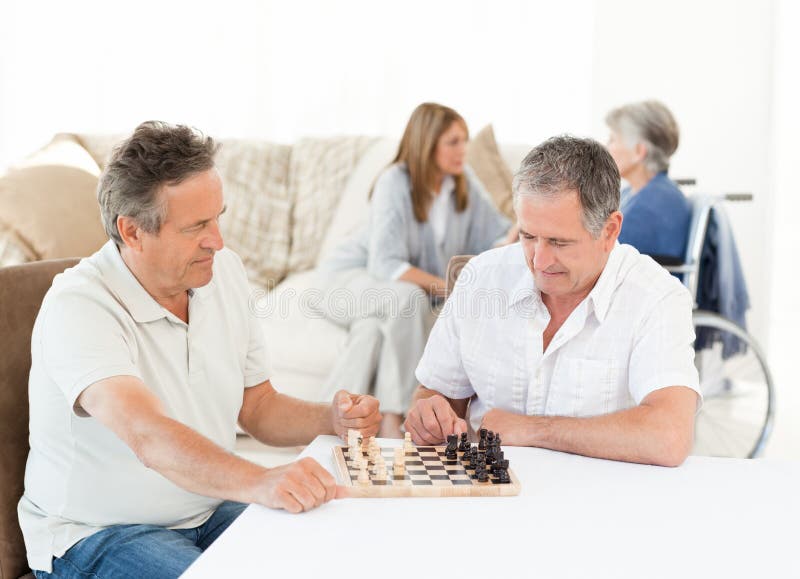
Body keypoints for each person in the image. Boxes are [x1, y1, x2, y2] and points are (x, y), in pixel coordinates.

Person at [18, 121, 382, 578]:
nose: (218, 241)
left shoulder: (221, 272)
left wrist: (330, 418)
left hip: (206, 512)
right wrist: (260, 480)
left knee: (341, 553)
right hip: (97, 533)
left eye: (217, 218)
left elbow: (258, 405)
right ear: (132, 232)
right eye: (196, 227)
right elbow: (147, 434)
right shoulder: (80, 306)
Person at [405, 135, 701, 467]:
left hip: (599, 507)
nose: (540, 261)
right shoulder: (481, 277)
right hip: (489, 501)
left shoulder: (657, 298)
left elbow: (669, 437)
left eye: (559, 242)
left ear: (609, 230)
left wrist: (534, 431)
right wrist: (430, 414)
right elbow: (436, 395)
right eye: (528, 237)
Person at [316, 103, 515, 438]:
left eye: (464, 140)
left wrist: (516, 234)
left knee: (372, 332)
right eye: (453, 142)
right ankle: (400, 416)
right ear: (427, 142)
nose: (462, 150)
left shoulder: (463, 183)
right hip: (348, 278)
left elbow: (496, 235)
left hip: (386, 296)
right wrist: (445, 286)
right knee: (407, 300)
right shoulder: (395, 182)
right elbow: (385, 264)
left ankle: (328, 428)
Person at [605, 100, 692, 262]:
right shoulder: (637, 193)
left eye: (613, 140)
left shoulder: (654, 204)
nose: (607, 147)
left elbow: (602, 252)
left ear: (639, 151)